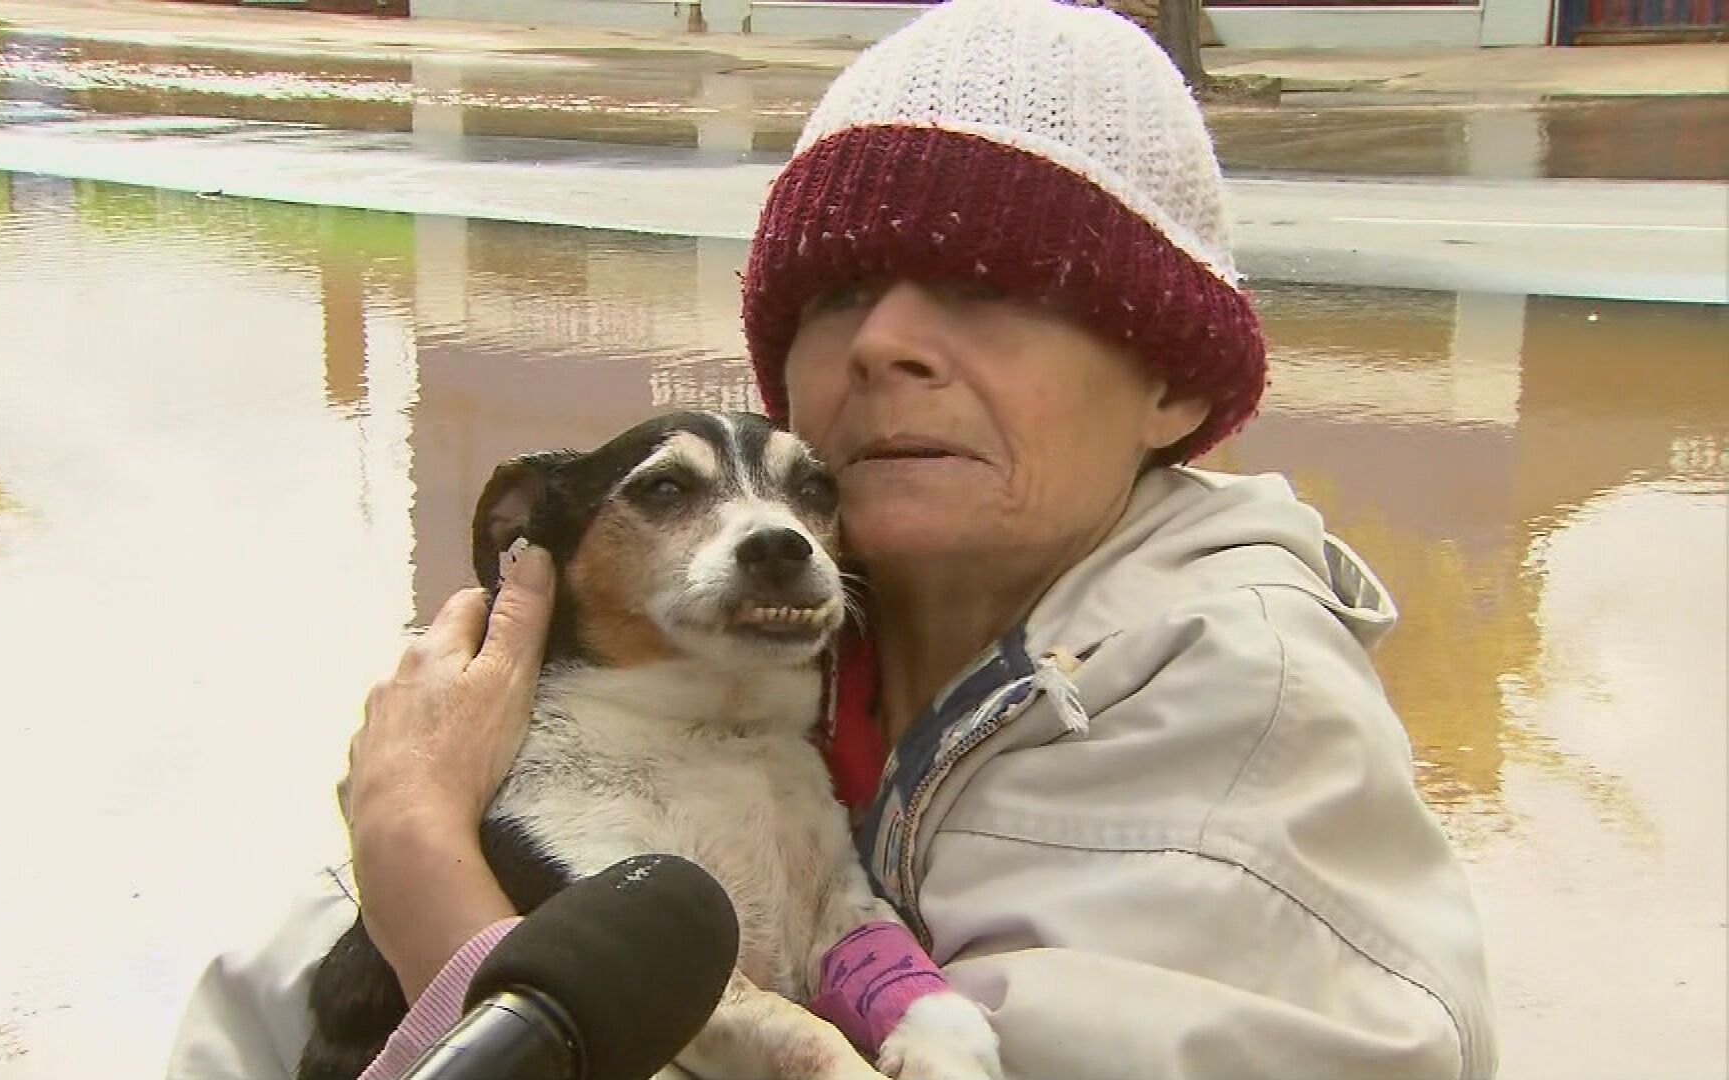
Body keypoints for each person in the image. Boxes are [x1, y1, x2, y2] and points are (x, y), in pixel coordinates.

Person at [167, 0, 1497, 1076]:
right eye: (841, 292)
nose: (882, 344)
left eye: (987, 288)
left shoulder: (1228, 725)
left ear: (1175, 387)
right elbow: (254, 1018)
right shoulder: (775, 643)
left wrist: (441, 905)